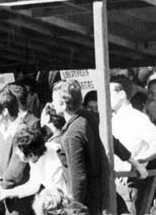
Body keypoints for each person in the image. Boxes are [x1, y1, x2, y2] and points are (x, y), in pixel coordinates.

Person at [51, 79, 111, 214]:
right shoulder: (87, 118)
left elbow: (78, 177)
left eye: (54, 100)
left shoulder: (71, 134)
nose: (52, 104)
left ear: (62, 103)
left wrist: (73, 209)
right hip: (99, 196)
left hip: (84, 204)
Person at [110, 76, 156, 215]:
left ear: (122, 94)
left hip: (127, 182)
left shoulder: (137, 118)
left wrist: (137, 161)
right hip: (113, 182)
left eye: (109, 93)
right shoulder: (112, 118)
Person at [0, 89, 34, 215]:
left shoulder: (22, 130)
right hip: (4, 194)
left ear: (5, 111)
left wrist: (0, 184)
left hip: (18, 198)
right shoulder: (2, 128)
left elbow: (16, 168)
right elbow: (1, 162)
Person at [0, 126, 67, 202]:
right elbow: (33, 185)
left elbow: (62, 195)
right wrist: (7, 193)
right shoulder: (36, 156)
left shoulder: (52, 166)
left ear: (31, 155)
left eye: (19, 152)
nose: (17, 153)